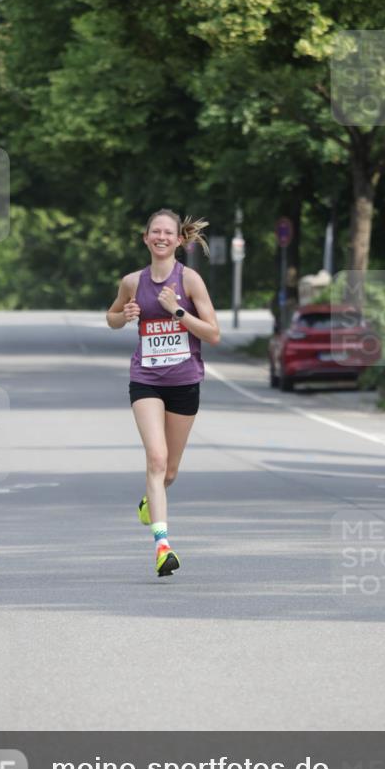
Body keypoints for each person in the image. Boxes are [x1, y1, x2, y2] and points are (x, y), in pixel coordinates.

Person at [106, 209, 220, 577]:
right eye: (155, 232)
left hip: (185, 381)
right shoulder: (131, 282)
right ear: (145, 239)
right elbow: (110, 318)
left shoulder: (190, 281)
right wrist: (125, 314)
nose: (161, 237)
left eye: (168, 232)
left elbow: (213, 334)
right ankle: (162, 546)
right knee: (156, 459)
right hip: (146, 380)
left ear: (178, 240)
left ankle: (148, 504)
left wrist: (177, 312)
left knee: (169, 470)